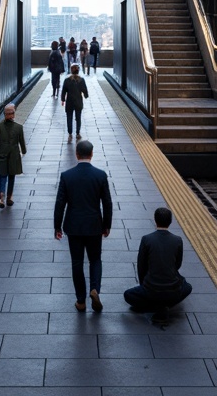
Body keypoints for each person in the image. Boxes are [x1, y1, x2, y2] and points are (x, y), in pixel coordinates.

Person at [54, 139, 112, 313]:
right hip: (94, 225)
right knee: (95, 259)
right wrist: (106, 225)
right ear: (92, 154)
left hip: (74, 226)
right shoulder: (100, 175)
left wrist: (57, 226)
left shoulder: (67, 176)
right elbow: (107, 203)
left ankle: (81, 300)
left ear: (76, 154)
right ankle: (95, 289)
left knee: (77, 262)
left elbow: (60, 203)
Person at [123, 207, 192, 315]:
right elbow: (177, 265)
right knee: (187, 287)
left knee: (128, 295)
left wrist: (144, 285)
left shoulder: (146, 239)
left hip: (150, 290)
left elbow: (141, 266)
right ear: (170, 222)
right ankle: (165, 305)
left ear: (155, 220)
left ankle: (153, 305)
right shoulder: (177, 240)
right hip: (172, 292)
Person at [0, 103, 26, 208]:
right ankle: (9, 198)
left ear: (4, 114)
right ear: (13, 114)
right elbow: (22, 143)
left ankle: (1, 197)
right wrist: (23, 151)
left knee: (2, 176)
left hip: (2, 156)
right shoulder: (19, 128)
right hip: (14, 157)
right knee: (11, 177)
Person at [61, 63, 88, 140]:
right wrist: (86, 95)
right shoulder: (81, 80)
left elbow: (63, 91)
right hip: (78, 102)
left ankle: (70, 134)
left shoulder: (67, 80)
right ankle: (78, 133)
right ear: (78, 71)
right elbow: (84, 90)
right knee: (78, 118)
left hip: (69, 102)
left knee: (69, 118)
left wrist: (63, 100)